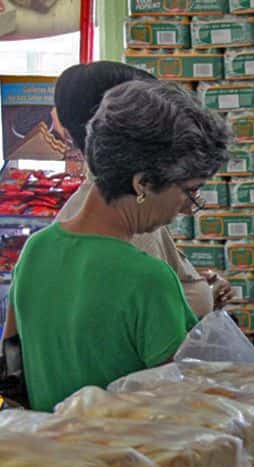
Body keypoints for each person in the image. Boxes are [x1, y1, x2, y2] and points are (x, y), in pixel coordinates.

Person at [3, 80, 231, 411]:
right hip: (128, 460)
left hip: (49, 453)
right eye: (189, 191)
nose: (186, 207)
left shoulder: (36, 251)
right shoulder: (148, 278)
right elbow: (185, 409)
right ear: (142, 184)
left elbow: (12, 365)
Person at [53, 61, 232, 318]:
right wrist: (205, 295)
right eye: (189, 192)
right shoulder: (138, 247)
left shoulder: (41, 246)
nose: (189, 208)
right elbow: (152, 340)